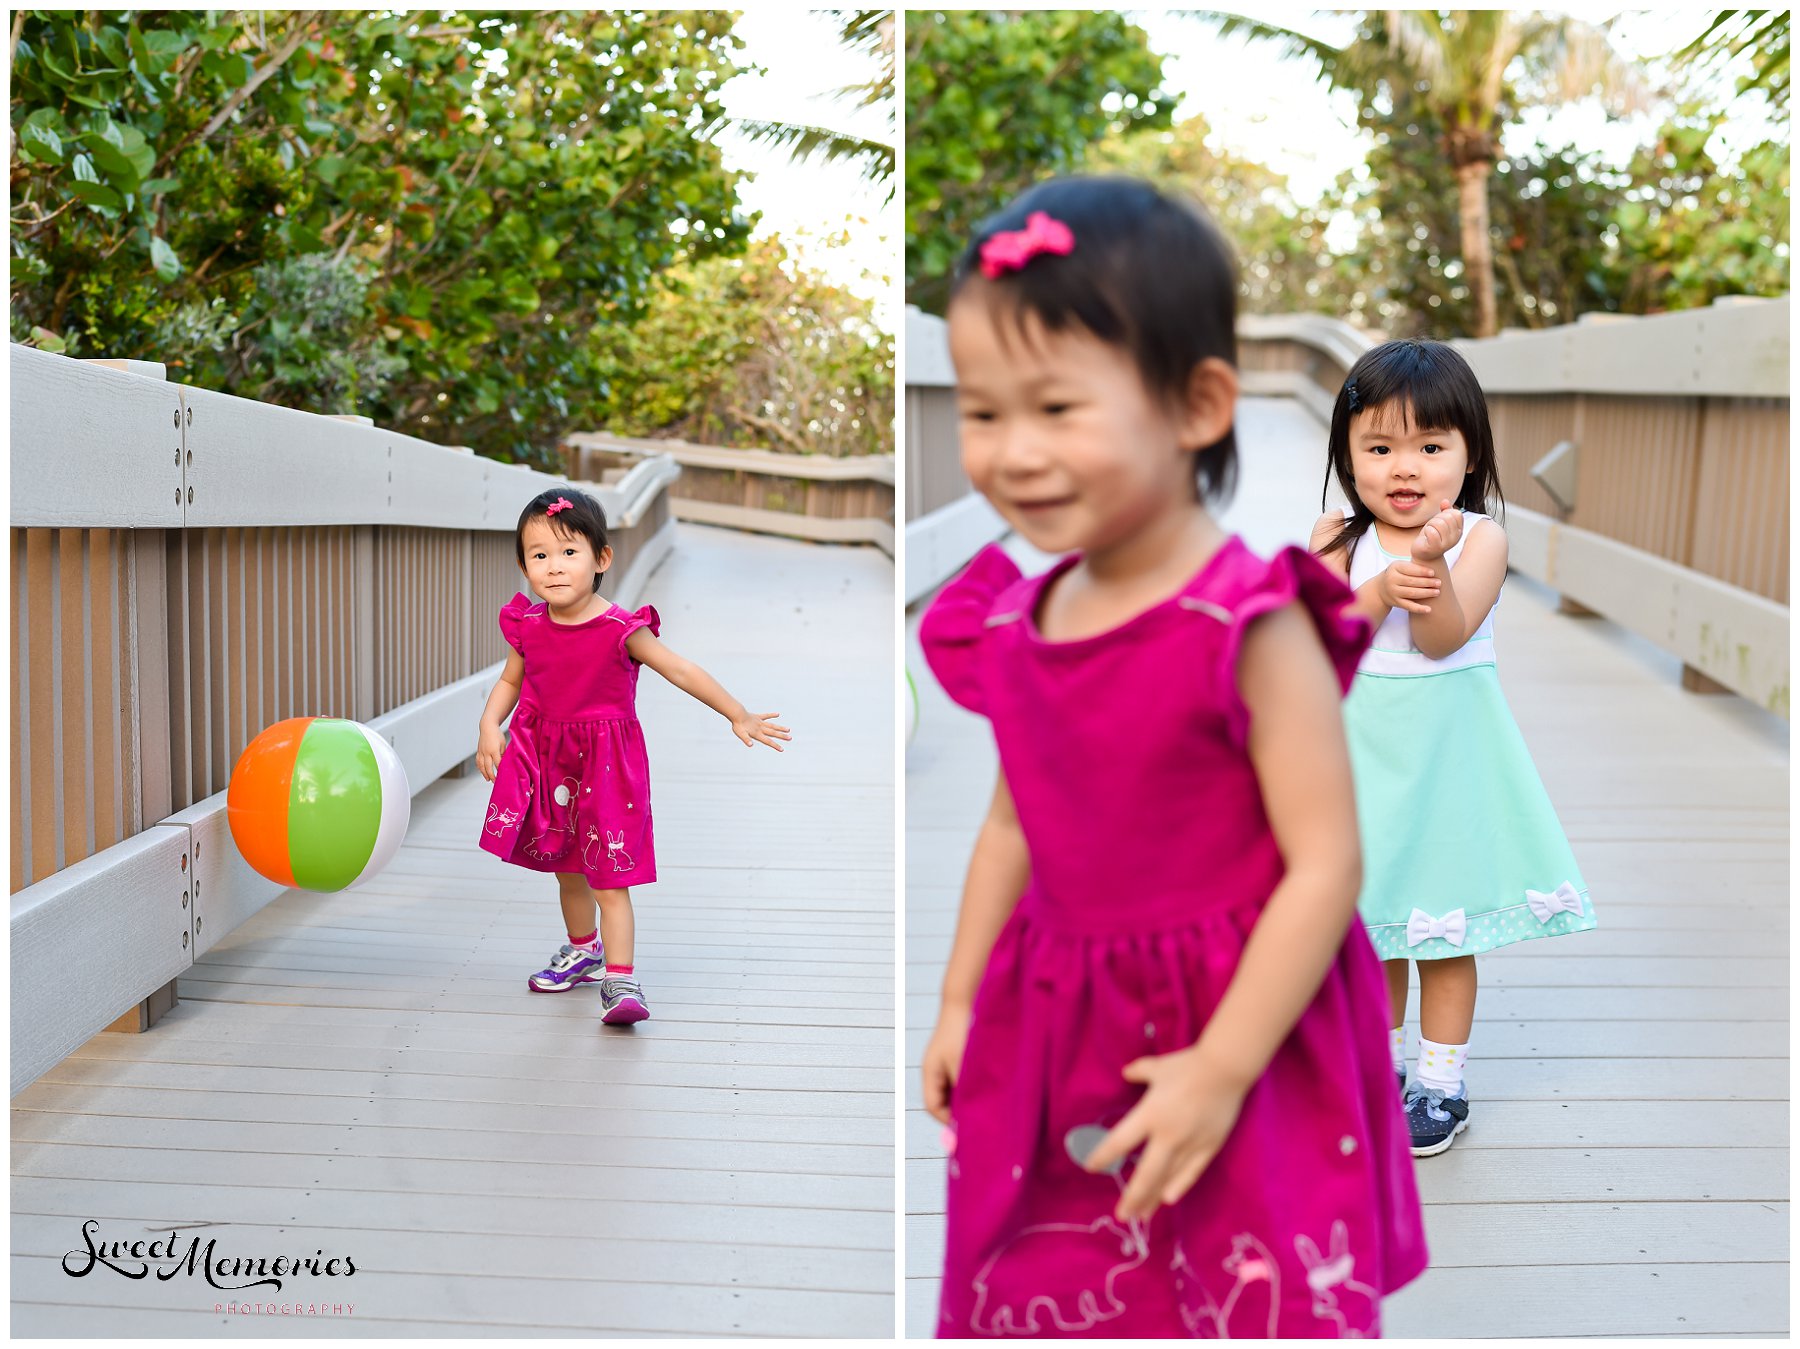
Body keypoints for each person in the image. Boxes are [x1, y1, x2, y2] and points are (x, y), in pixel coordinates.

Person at [918, 177, 1427, 1338]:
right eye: (984, 413)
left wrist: (1223, 1064)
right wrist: (955, 999)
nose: (1012, 451)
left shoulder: (1246, 622)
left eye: (1055, 406)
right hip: (1062, 1009)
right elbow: (1012, 822)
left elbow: (1325, 863)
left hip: (1237, 1011)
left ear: (1198, 404)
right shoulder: (1016, 620)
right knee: (1067, 1280)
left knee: (1243, 1285)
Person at [1310, 339, 1596, 1156]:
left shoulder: (1481, 540)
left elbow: (1441, 640)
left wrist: (1427, 566)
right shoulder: (1335, 540)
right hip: (1358, 762)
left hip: (1448, 765)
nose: (1407, 467)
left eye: (1431, 446)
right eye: (1380, 446)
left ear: (1468, 458)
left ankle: (1439, 1082)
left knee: (1441, 930)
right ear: (1348, 456)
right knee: (1370, 928)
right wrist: (1371, 586)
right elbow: (1319, 641)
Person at [475, 488, 790, 1024]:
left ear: (601, 559)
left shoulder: (621, 629)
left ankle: (621, 981)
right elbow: (511, 679)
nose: (553, 568)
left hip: (605, 768)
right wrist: (489, 725)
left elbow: (680, 669)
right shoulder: (528, 626)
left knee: (608, 876)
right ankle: (584, 950)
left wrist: (737, 713)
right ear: (524, 565)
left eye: (569, 552)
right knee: (566, 870)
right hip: (546, 760)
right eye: (539, 555)